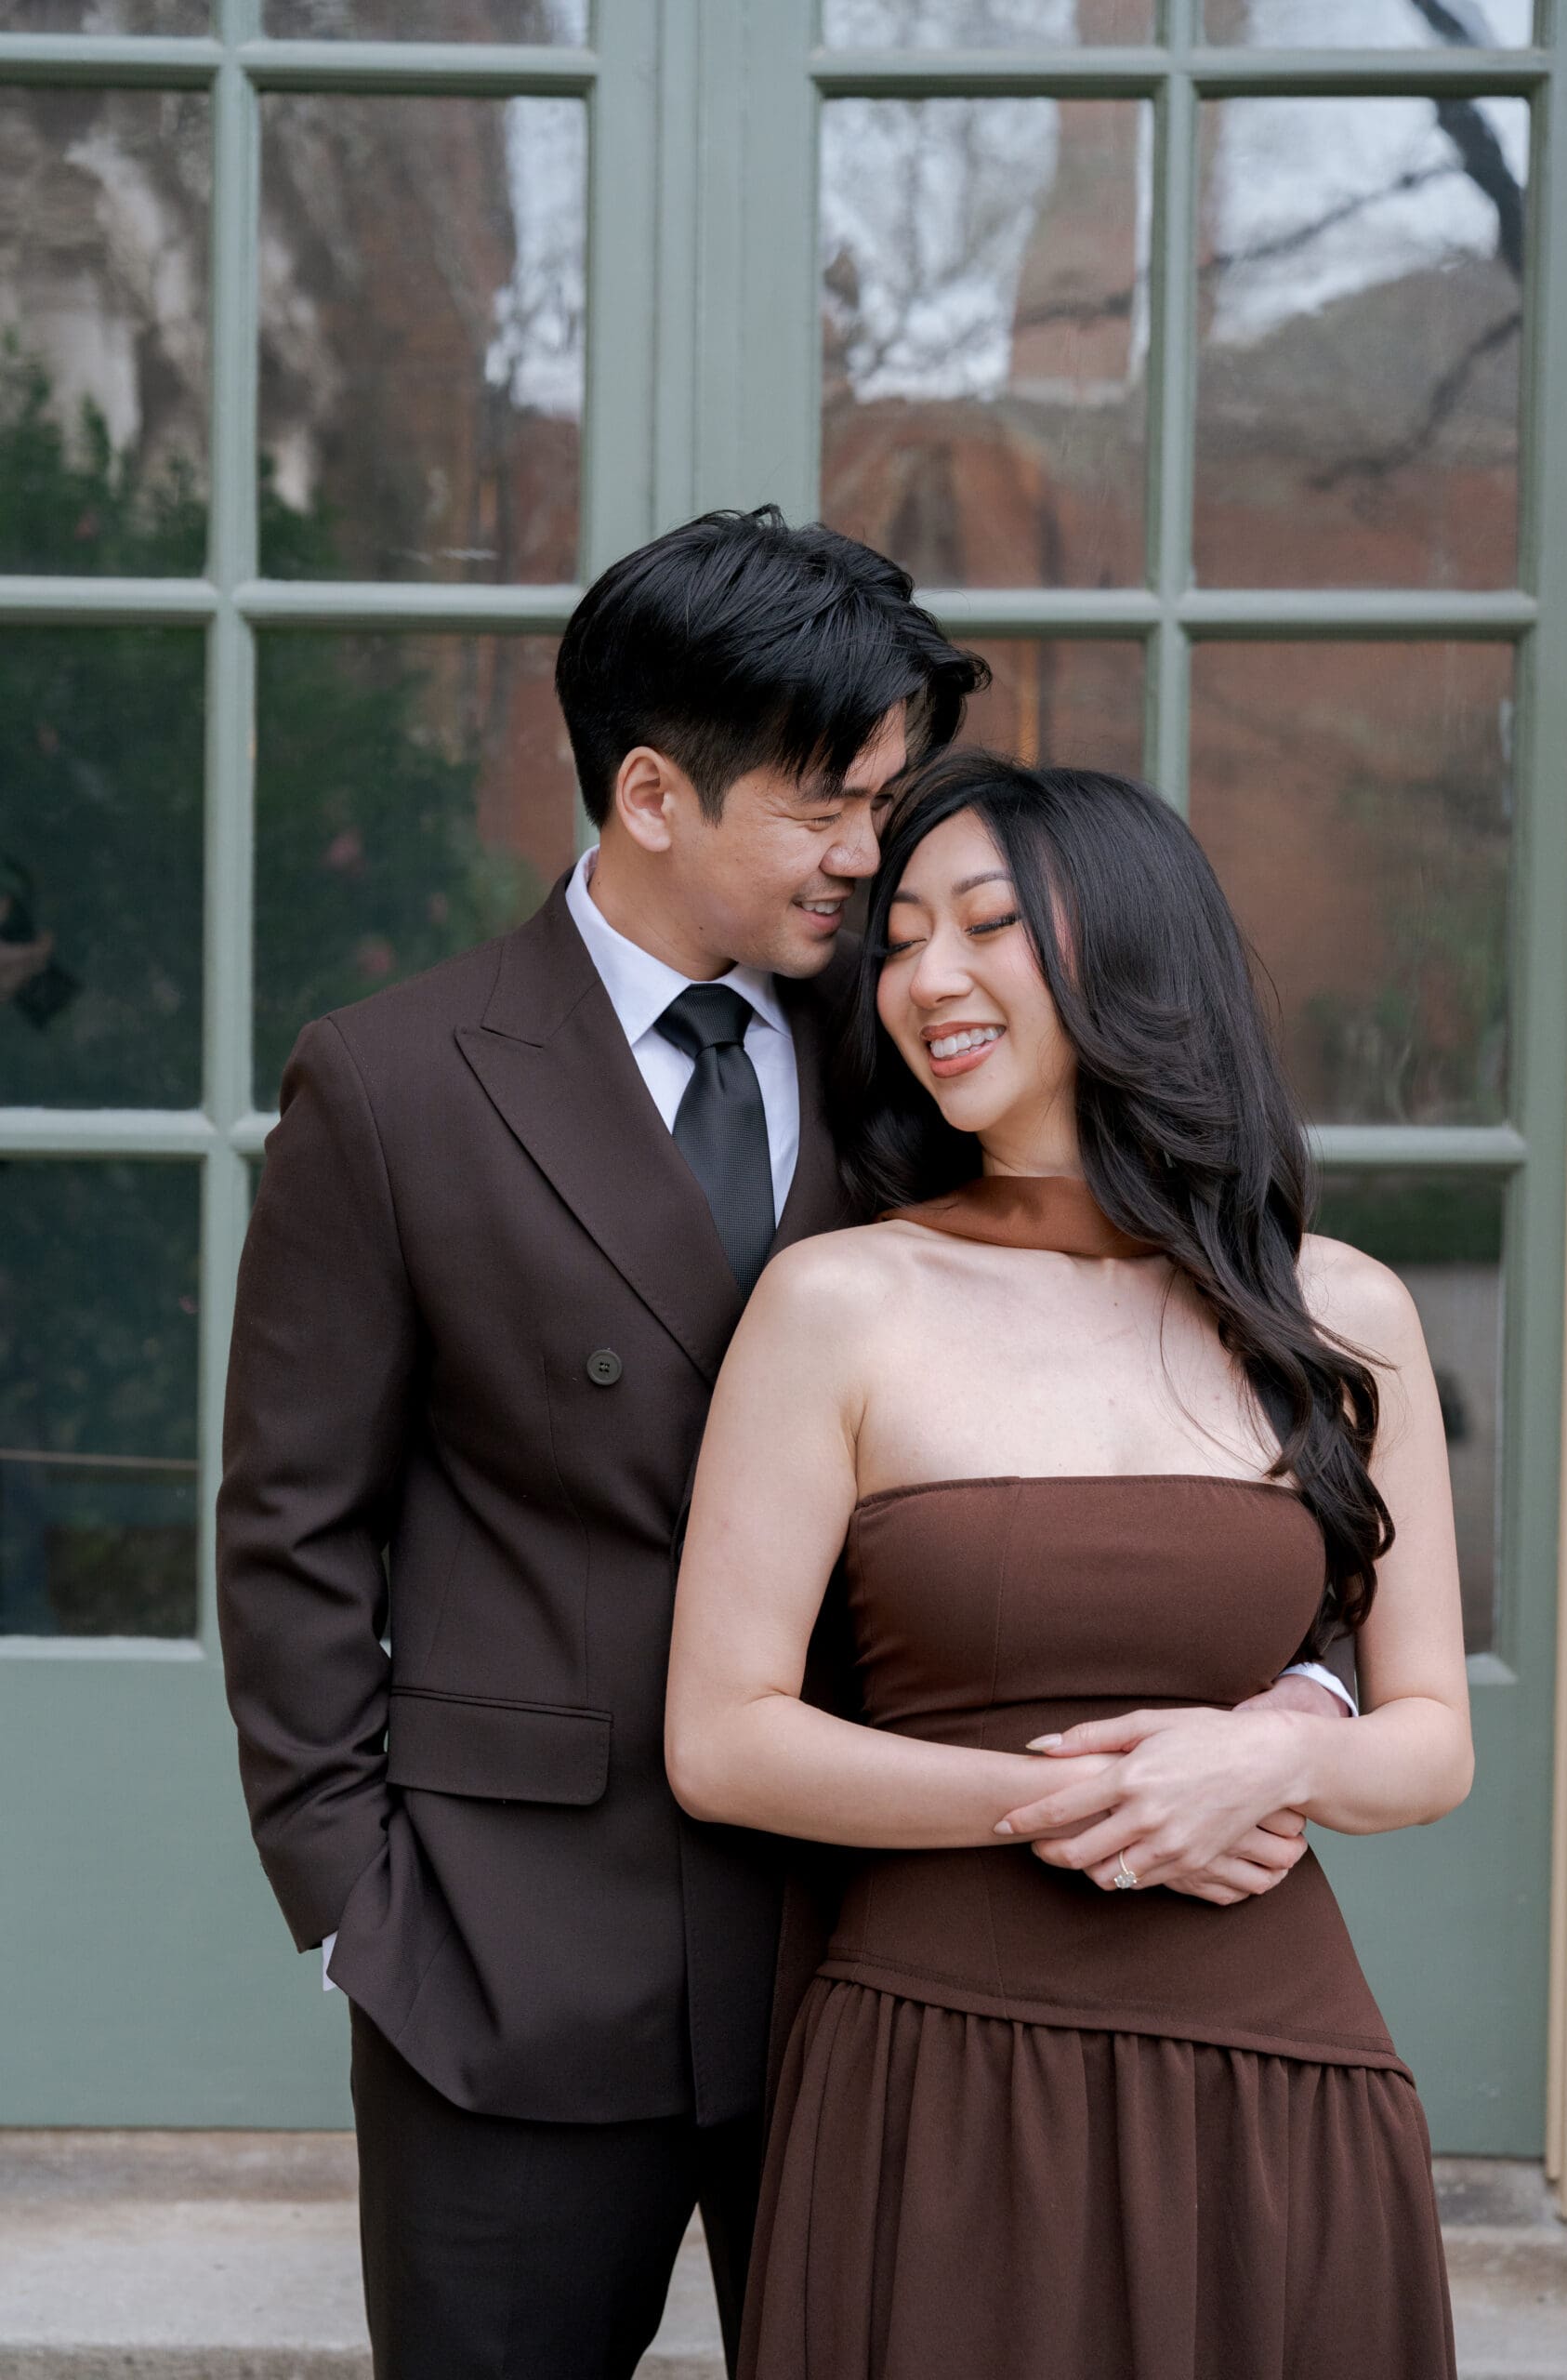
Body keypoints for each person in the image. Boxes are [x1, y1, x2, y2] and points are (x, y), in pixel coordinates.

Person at [217, 509, 1349, 2380]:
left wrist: (1303, 1693)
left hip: (896, 1941)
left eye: (886, 803)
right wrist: (355, 1906)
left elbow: (1199, 1380)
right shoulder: (396, 1080)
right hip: (506, 1951)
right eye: (828, 807)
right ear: (652, 794)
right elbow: (292, 1531)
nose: (867, 857)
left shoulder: (926, 1033)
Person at [666, 748, 1470, 2380]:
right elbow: (724, 1740)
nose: (924, 981)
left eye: (986, 926)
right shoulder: (839, 1301)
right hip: (939, 2068)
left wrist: (1261, 1759)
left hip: (1272, 2076)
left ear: (1133, 952)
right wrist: (1093, 1803)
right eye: (900, 940)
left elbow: (1431, 1740)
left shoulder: (1340, 1311)